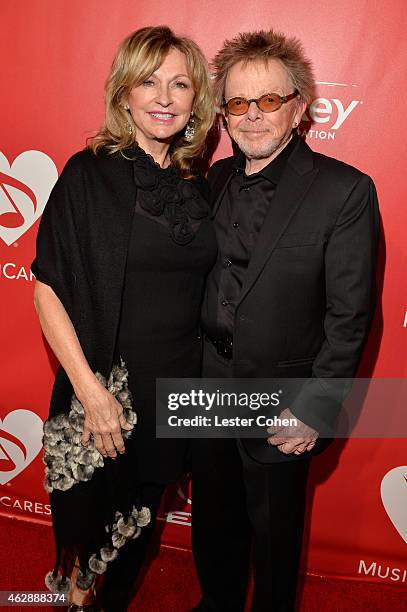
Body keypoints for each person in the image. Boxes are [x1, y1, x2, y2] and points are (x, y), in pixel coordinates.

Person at [191, 30, 380, 612]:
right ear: (223, 112)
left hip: (283, 400)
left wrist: (314, 409)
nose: (252, 117)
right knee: (213, 524)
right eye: (238, 103)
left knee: (273, 540)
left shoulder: (344, 191)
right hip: (206, 386)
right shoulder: (215, 179)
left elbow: (350, 317)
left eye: (268, 101)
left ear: (299, 107)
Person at [31, 25, 216, 612]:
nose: (164, 97)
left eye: (180, 84)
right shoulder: (89, 174)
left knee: (138, 523)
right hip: (107, 389)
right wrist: (89, 392)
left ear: (196, 101)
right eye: (149, 81)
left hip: (178, 389)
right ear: (125, 94)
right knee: (89, 526)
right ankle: (77, 600)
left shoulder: (200, 186)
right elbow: (48, 289)